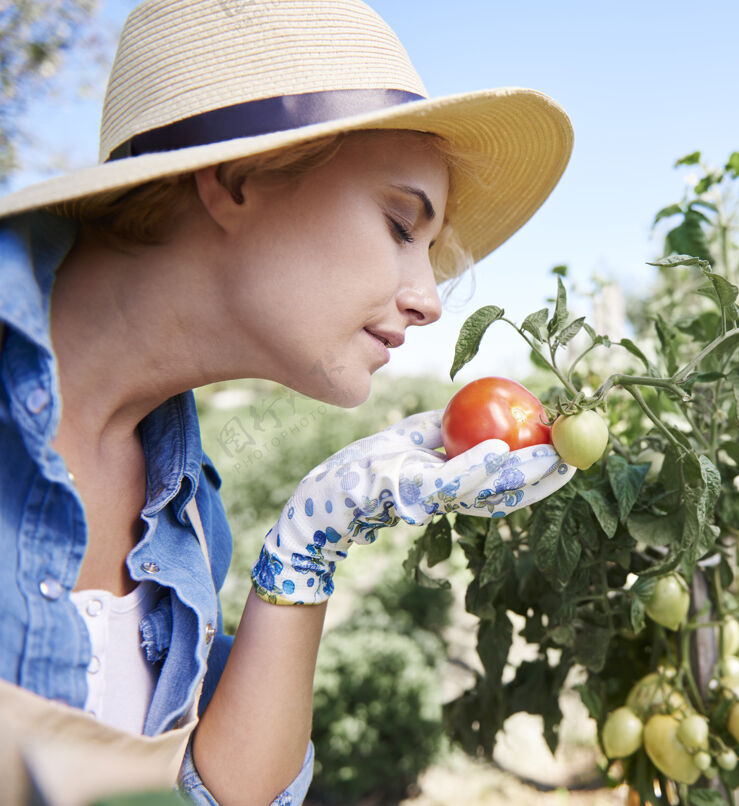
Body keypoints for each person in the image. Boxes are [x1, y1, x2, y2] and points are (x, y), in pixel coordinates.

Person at [0, 1, 574, 803]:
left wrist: (309, 543)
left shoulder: (183, 508)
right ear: (237, 181)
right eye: (401, 224)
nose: (429, 300)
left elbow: (218, 792)